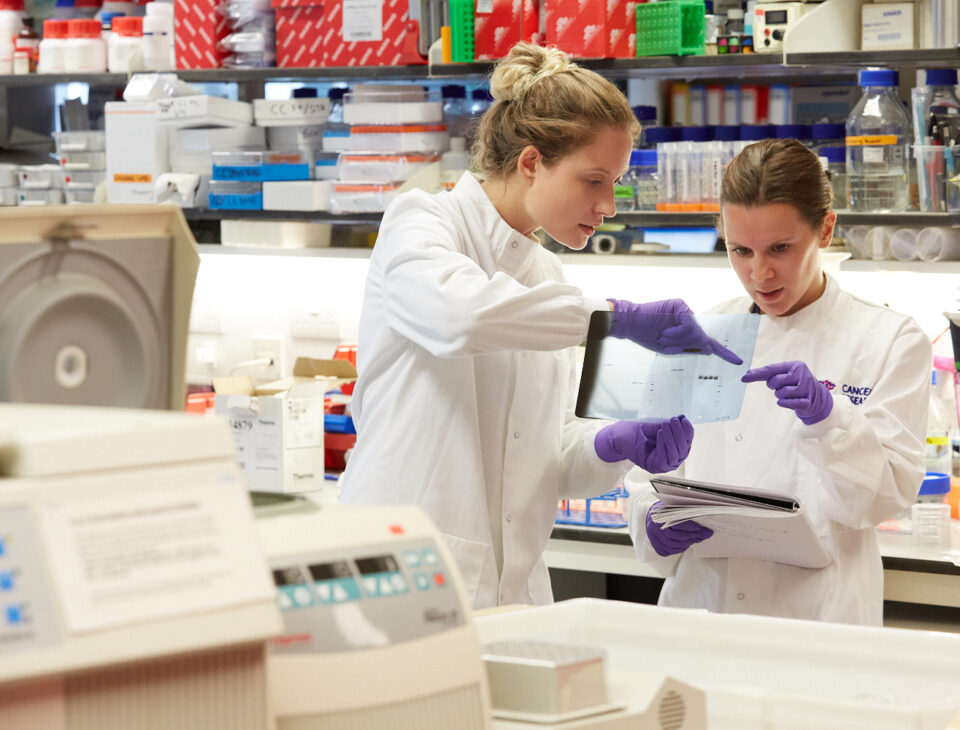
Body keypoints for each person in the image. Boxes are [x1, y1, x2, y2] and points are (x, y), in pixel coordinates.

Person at [339, 43, 739, 610]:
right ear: (531, 162)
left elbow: (550, 458)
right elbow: (463, 315)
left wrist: (612, 441)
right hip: (401, 576)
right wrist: (618, 319)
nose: (610, 206)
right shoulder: (423, 222)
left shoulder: (548, 274)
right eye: (594, 180)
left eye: (617, 183)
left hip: (512, 585)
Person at [625, 138, 932, 626]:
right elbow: (648, 475)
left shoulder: (890, 338)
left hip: (819, 618)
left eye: (780, 249)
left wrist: (831, 420)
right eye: (740, 249)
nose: (759, 272)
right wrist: (649, 522)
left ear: (825, 229)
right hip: (703, 613)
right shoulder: (700, 336)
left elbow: (884, 497)